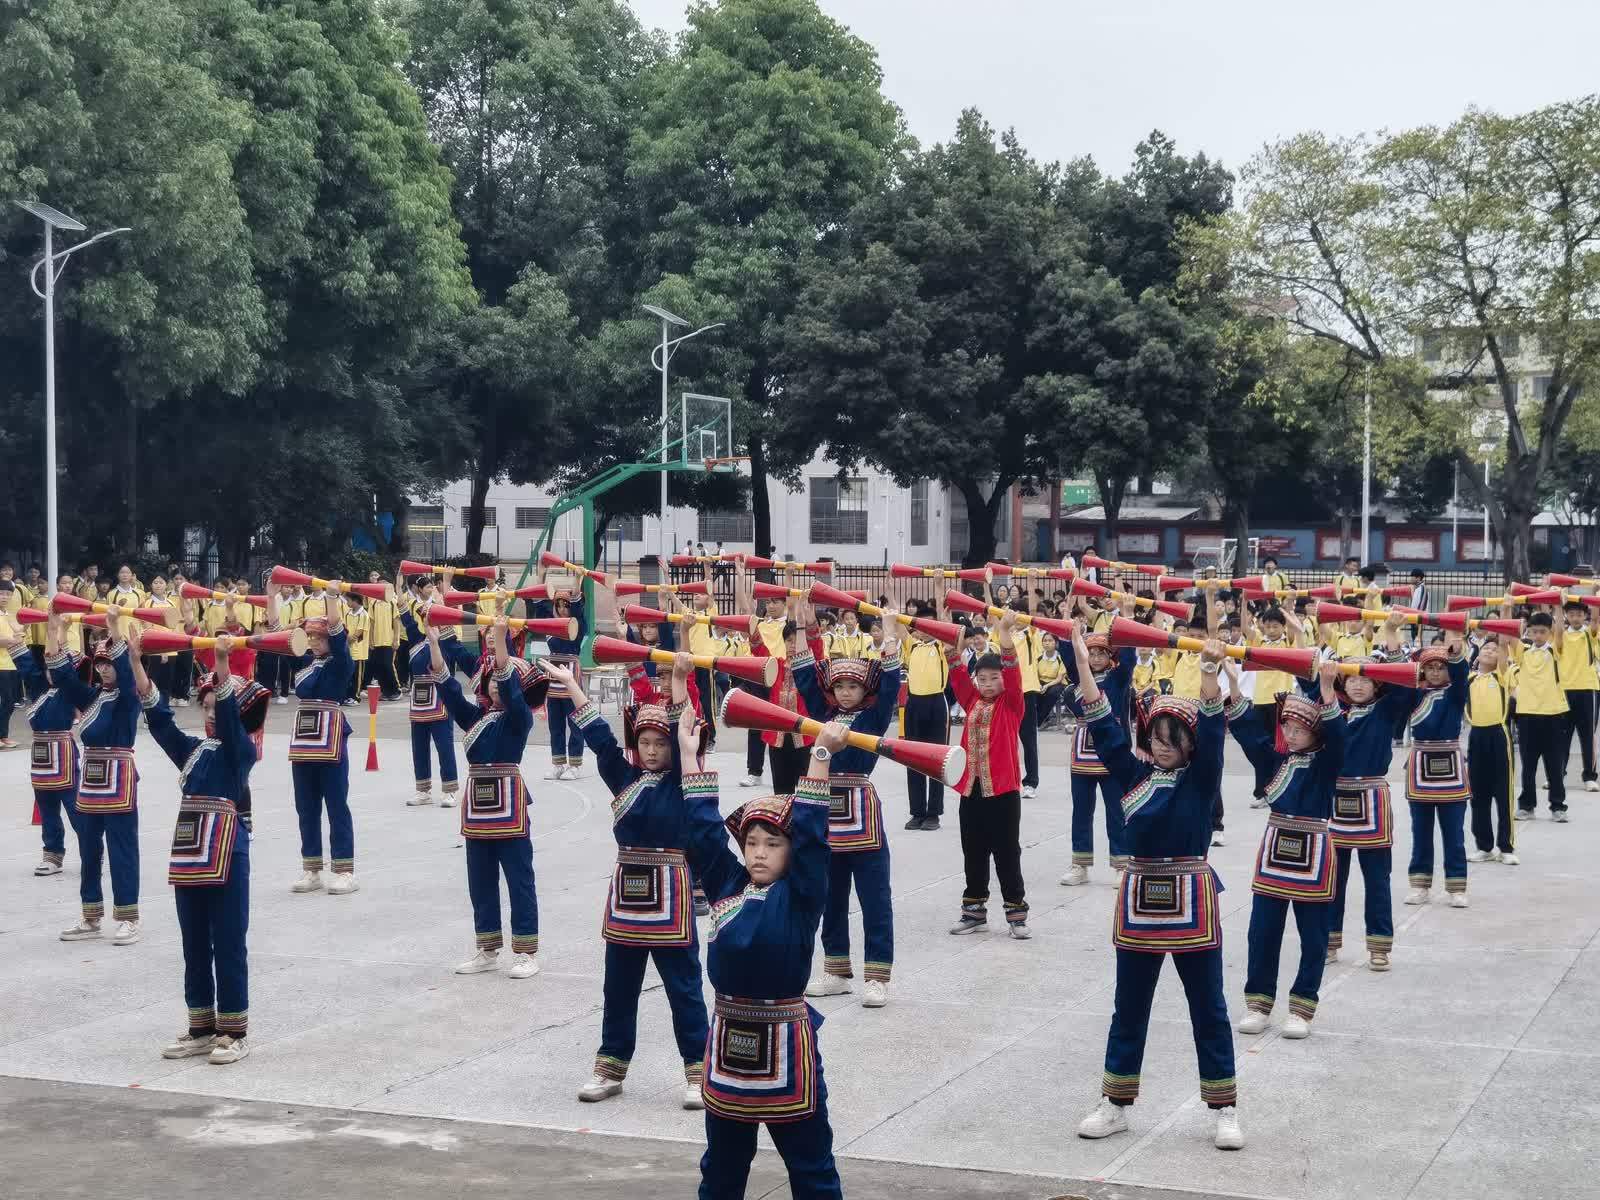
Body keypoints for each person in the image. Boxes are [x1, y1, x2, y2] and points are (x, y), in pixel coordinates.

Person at [1070, 622, 1241, 1150]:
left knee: (1208, 1007)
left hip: (1193, 902)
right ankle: (1116, 1102)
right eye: (1158, 738)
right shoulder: (1132, 775)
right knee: (1130, 1006)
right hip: (1140, 901)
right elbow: (1103, 724)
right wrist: (1082, 661)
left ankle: (1225, 1108)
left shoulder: (1201, 780)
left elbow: (1213, 732)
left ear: (1189, 745)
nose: (1164, 747)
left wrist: (1209, 673)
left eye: (1175, 740)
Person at [679, 711, 844, 1199]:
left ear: (791, 853)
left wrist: (820, 755)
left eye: (772, 844)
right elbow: (705, 833)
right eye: (751, 842)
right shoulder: (728, 885)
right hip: (728, 1043)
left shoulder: (802, 894)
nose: (758, 852)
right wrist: (689, 757)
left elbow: (812, 834)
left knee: (811, 1168)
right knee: (722, 1168)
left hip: (788, 1045)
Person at [552, 653, 709, 1109]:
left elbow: (682, 729)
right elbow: (601, 740)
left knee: (684, 987)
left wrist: (679, 680)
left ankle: (698, 1071)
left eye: (660, 742)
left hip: (672, 895)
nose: (653, 750)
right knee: (618, 987)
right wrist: (573, 686)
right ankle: (610, 1067)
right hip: (627, 895)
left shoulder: (681, 779)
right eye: (645, 742)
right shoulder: (624, 778)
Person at [143, 627, 268, 1065]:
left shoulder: (243, 750)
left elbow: (231, 725)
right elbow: (161, 723)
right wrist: (137, 663)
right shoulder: (194, 751)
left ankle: (234, 1031)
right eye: (207, 706)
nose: (211, 713)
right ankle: (200, 1027)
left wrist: (222, 664)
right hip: (189, 849)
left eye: (217, 706)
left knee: (229, 941)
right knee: (193, 942)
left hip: (227, 850)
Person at [1225, 659, 1346, 1038]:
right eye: (1287, 727)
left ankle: (1302, 1008)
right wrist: (1234, 686)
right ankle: (1258, 1004)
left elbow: (1339, 737)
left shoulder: (1327, 764)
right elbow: (1249, 736)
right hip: (1275, 850)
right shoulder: (1275, 762)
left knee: (1313, 935)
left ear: (1316, 732)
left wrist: (1326, 692)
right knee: (1262, 931)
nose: (1290, 735)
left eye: (1299, 729)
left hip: (1315, 853)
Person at [791, 608, 904, 1004]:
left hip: (862, 811)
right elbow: (805, 679)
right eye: (838, 685)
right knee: (830, 896)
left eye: (852, 686)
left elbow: (890, 685)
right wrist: (799, 623)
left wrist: (889, 632)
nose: (844, 692)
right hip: (826, 811)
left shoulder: (873, 718)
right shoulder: (823, 717)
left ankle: (878, 977)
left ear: (864, 690)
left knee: (875, 898)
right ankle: (836, 969)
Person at [429, 617, 546, 979]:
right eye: (491, 677)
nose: (496, 681)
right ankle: (488, 948)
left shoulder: (519, 718)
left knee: (519, 879)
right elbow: (449, 689)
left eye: (502, 678)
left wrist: (499, 636)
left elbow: (510, 684)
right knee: (480, 880)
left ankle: (525, 952)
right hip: (478, 807)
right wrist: (433, 641)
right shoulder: (476, 716)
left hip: (510, 805)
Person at [46, 611, 146, 945]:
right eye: (100, 664)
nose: (104, 669)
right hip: (90, 781)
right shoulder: (93, 697)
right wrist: (54, 630)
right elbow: (63, 678)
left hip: (119, 779)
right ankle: (91, 916)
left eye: (110, 663)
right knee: (89, 849)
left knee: (122, 850)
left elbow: (128, 677)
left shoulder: (128, 698)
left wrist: (115, 627)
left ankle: (129, 917)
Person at [1322, 618, 1412, 972]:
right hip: (1335, 798)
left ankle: (1379, 946)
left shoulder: (1386, 710)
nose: (1358, 685)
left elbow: (1403, 687)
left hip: (1372, 798)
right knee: (1333, 878)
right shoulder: (1334, 710)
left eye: (1366, 679)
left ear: (1377, 684)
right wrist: (1326, 677)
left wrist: (1391, 637)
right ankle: (1329, 940)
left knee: (1377, 879)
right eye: (1352, 679)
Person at [945, 610, 1031, 938]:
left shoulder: (1012, 704)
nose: (988, 684)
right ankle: (974, 912)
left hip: (1004, 793)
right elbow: (956, 672)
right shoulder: (972, 701)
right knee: (974, 851)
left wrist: (1005, 632)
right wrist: (952, 639)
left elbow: (1013, 670)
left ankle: (1016, 915)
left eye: (995, 678)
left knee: (1007, 853)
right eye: (982, 679)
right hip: (971, 791)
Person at [273, 582, 357, 894]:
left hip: (331, 736)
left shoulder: (341, 662)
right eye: (310, 636)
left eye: (318, 637)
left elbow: (336, 629)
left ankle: (345, 870)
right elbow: (277, 636)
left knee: (336, 804)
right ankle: (311, 869)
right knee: (305, 807)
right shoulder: (306, 662)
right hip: (304, 739)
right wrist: (270, 597)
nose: (313, 641)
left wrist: (332, 597)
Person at [1059, 621, 1135, 886]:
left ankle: (1121, 865)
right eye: (1091, 653)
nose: (1096, 658)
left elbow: (1128, 661)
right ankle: (1080, 865)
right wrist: (1068, 629)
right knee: (1081, 811)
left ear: (1110, 656)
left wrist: (1127, 620)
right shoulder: (1079, 677)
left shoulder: (1118, 679)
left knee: (1116, 811)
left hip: (1113, 751)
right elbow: (1069, 656)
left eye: (1102, 653)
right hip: (1082, 753)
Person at [1402, 633, 1473, 904]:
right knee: (1420, 832)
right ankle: (1420, 885)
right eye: (1429, 667)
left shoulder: (1456, 693)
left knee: (1454, 833)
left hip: (1451, 767)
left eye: (1440, 667)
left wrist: (1455, 652)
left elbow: (1461, 673)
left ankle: (1457, 887)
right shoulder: (1414, 694)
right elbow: (1399, 682)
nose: (1434, 672)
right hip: (1420, 765)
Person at [16, 613, 82, 876]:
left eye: (57, 668)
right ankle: (53, 855)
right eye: (48, 668)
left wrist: (58, 631)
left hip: (64, 754)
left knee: (76, 808)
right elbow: (24, 662)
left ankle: (92, 852)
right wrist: (15, 635)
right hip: (41, 757)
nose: (52, 672)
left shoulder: (70, 689)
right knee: (47, 809)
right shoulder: (38, 687)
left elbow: (64, 663)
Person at [399, 596, 476, 808]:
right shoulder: (415, 639)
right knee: (419, 747)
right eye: (425, 617)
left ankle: (449, 790)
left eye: (432, 617)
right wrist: (399, 596)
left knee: (444, 745)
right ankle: (423, 790)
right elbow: (406, 619)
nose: (428, 620)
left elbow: (458, 656)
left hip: (442, 698)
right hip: (418, 702)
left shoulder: (446, 642)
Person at [1242, 602, 1307, 808]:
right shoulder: (1259, 641)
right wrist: (1245, 600)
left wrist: (1287, 609)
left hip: (1281, 700)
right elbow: (1244, 627)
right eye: (1267, 626)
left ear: (1283, 627)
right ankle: (1262, 792)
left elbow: (1296, 630)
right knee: (1261, 748)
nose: (1271, 630)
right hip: (1260, 700)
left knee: (1281, 747)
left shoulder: (1288, 642)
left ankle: (1280, 790)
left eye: (1275, 626)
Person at [1506, 613, 1568, 823]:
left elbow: (1560, 631)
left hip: (1553, 715)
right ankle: (1526, 806)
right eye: (1534, 632)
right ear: (1529, 632)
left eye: (1543, 632)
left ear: (1550, 632)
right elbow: (1509, 633)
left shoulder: (1555, 650)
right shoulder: (1523, 652)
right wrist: (1507, 607)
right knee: (1528, 766)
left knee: (1554, 765)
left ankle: (1558, 806)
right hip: (1528, 715)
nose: (1539, 636)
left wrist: (1558, 605)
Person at [1466, 638, 1518, 866]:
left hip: (1498, 735)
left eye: (1495, 650)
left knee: (1503, 793)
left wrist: (1503, 641)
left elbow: (1505, 646)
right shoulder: (1468, 678)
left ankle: (1505, 847)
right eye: (1485, 648)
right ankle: (1484, 847)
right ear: (1477, 655)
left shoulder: (1502, 675)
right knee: (1478, 795)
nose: (1489, 651)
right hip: (1476, 736)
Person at [532, 567, 588, 780]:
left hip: (571, 674)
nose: (563, 609)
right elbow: (539, 603)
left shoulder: (578, 625)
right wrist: (541, 575)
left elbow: (578, 609)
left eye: (566, 605)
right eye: (559, 605)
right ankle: (558, 763)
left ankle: (575, 764)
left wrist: (577, 580)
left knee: (575, 722)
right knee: (555, 724)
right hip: (554, 676)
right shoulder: (550, 624)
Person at [901, 599, 950, 830]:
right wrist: (890, 590)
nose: (926, 630)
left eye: (931, 625)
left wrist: (940, 592)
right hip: (914, 705)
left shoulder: (941, 646)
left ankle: (934, 814)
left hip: (936, 704)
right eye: (922, 626)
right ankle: (917, 812)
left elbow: (947, 630)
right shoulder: (912, 645)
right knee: (913, 759)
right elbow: (898, 624)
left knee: (936, 760)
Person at [1558, 599, 1598, 791]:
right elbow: (1556, 622)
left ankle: (1589, 777)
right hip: (1565, 690)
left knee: (1587, 735)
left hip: (1587, 688)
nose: (1575, 618)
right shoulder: (1561, 635)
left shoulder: (1589, 634)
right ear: (1566, 616)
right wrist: (1556, 601)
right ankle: (1557, 774)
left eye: (1579, 615)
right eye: (1571, 614)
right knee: (1561, 736)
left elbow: (1596, 619)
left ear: (1585, 616)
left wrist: (1595, 595)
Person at [365, 573, 400, 701]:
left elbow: (396, 622)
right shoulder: (373, 603)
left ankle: (396, 690)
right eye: (380, 584)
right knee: (378, 666)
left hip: (389, 640)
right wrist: (370, 640)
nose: (382, 587)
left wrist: (396, 639)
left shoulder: (392, 602)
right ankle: (385, 691)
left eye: (385, 584)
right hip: (376, 641)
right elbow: (371, 623)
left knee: (387, 665)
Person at [0, 580, 21, 751]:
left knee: (10, 701)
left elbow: (19, 634)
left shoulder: (8, 615)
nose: (4, 597)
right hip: (1, 665)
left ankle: (3, 736)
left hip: (12, 663)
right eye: (1, 593)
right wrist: (11, 640)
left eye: (8, 594)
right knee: (6, 700)